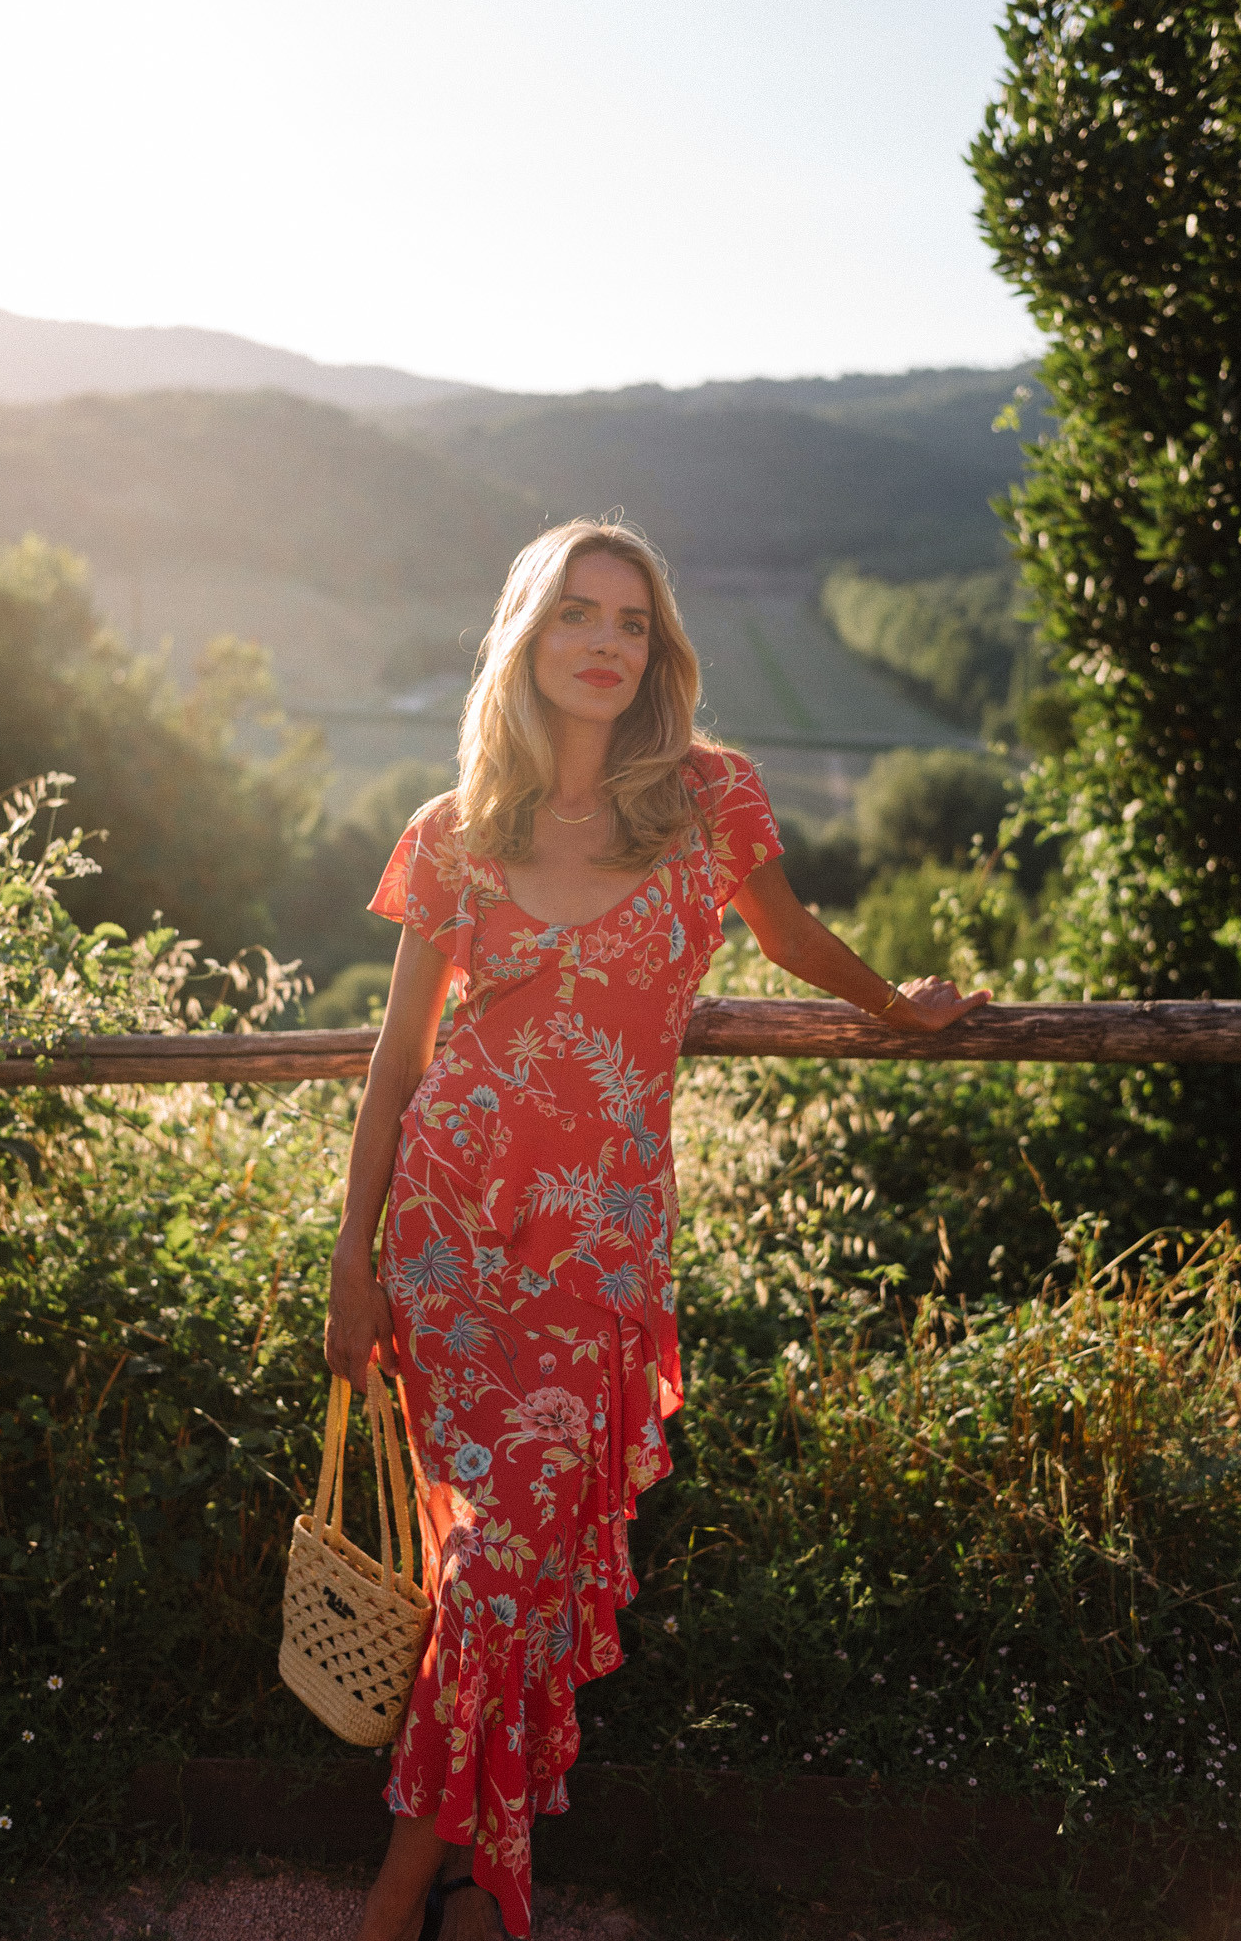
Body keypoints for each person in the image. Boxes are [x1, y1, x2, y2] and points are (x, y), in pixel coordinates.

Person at [325, 518, 989, 1941]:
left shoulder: (712, 802)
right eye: (579, 614)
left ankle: (409, 1888)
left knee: (506, 1569)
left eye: (633, 621)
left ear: (659, 649)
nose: (608, 643)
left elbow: (796, 943)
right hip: (450, 1253)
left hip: (594, 1260)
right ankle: (461, 1877)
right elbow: (396, 1070)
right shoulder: (452, 836)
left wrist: (900, 1008)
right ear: (529, 638)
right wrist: (351, 1265)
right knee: (486, 1569)